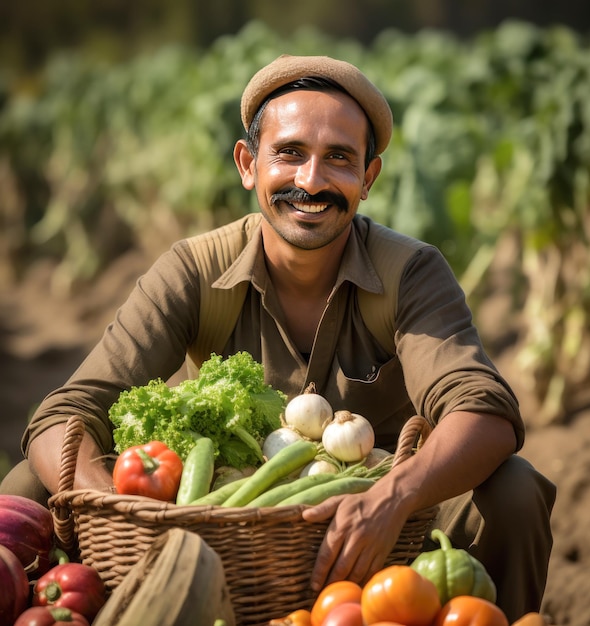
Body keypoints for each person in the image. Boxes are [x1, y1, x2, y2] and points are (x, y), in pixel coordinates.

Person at [1, 54, 555, 622]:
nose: (311, 181)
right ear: (248, 163)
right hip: (214, 525)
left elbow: (485, 412)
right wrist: (115, 507)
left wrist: (392, 497)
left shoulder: (409, 273)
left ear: (368, 178)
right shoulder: (195, 271)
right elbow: (65, 413)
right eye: (289, 153)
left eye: (338, 158)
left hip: (386, 532)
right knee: (28, 485)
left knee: (513, 491)